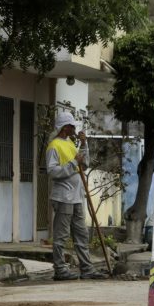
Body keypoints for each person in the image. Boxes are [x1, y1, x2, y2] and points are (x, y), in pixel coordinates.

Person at [46, 111, 106, 280]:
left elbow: (84, 164)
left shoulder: (71, 143)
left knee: (81, 234)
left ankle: (87, 269)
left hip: (77, 197)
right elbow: (52, 171)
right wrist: (74, 163)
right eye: (72, 126)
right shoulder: (54, 146)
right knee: (61, 236)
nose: (74, 129)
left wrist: (84, 144)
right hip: (64, 196)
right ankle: (60, 270)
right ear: (65, 127)